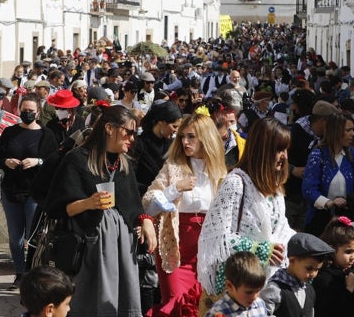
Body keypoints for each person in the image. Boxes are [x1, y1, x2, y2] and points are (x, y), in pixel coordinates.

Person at [45, 105, 156, 317]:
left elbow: (133, 205)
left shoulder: (124, 165)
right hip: (91, 248)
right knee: (89, 303)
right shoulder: (77, 160)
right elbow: (59, 208)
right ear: (109, 128)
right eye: (129, 132)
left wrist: (145, 220)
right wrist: (88, 203)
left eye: (135, 133)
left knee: (122, 303)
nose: (133, 139)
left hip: (123, 250)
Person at [198, 118, 295, 300]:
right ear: (262, 150)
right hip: (238, 287)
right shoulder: (235, 184)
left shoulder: (275, 188)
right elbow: (218, 240)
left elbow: (282, 228)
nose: (284, 157)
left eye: (286, 150)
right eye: (279, 150)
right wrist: (260, 249)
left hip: (268, 286)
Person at [143, 112, 227, 317]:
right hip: (176, 250)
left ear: (206, 138)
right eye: (182, 136)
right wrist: (174, 189)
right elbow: (148, 205)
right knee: (176, 304)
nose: (184, 141)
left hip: (208, 253)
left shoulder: (219, 171)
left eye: (191, 136)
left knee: (202, 307)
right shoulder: (173, 168)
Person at [0, 94, 58, 290]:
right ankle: (20, 273)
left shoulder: (46, 135)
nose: (27, 114)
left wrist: (38, 162)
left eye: (31, 111)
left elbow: (55, 162)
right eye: (24, 111)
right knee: (15, 238)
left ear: (38, 112)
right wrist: (6, 161)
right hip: (11, 191)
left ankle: (32, 274)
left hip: (34, 193)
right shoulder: (10, 132)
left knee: (32, 238)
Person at [129, 100, 182, 314]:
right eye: (173, 126)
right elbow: (131, 180)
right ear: (160, 122)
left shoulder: (172, 146)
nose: (175, 132)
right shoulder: (139, 144)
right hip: (145, 212)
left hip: (168, 214)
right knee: (148, 270)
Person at [285, 99, 338, 231]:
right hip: (291, 195)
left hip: (310, 198)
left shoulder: (324, 137)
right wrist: (292, 169)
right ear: (323, 121)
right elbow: (273, 158)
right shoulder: (294, 133)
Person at [260, 233, 334, 317]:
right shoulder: (275, 289)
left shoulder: (309, 290)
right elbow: (262, 313)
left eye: (317, 269)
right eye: (309, 268)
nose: (313, 274)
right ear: (292, 260)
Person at [313, 217, 354, 317]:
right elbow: (329, 310)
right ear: (332, 249)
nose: (353, 257)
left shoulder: (348, 271)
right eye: (348, 252)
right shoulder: (325, 278)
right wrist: (348, 289)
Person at [205, 252, 267, 317]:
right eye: (249, 292)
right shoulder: (218, 312)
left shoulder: (260, 305)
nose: (254, 297)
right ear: (230, 286)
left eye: (258, 291)